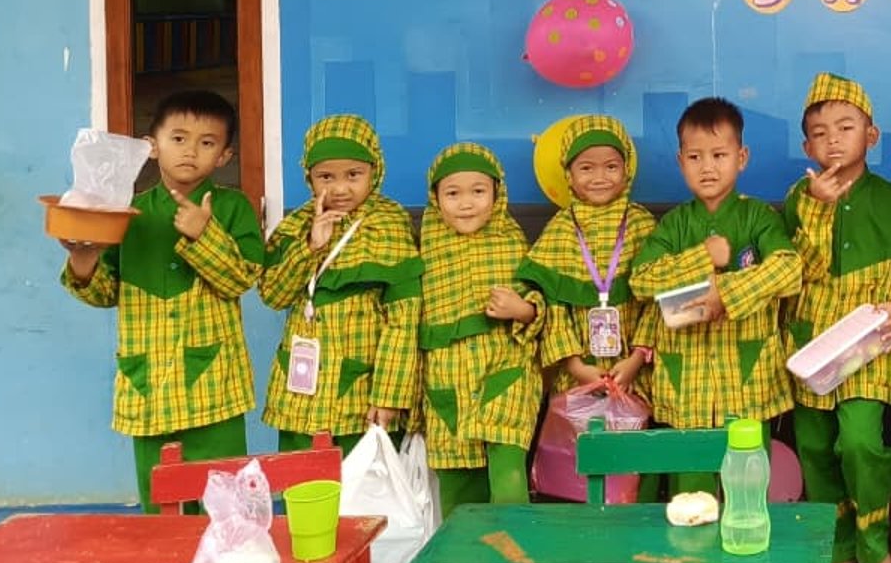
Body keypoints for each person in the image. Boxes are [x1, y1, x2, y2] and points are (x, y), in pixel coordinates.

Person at [60, 89, 262, 511]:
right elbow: (103, 294)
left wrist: (203, 235)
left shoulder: (233, 208)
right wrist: (84, 258)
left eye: (207, 143)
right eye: (178, 138)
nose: (191, 151)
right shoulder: (125, 213)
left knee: (226, 505)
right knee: (161, 505)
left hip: (213, 386)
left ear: (224, 156)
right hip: (147, 386)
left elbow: (240, 279)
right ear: (152, 146)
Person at [628, 97, 801, 493]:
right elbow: (641, 280)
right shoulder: (674, 224)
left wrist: (727, 291)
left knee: (748, 489)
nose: (707, 167)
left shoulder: (758, 217)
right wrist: (701, 257)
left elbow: (789, 269)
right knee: (691, 496)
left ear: (741, 157)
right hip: (686, 385)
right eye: (695, 156)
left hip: (748, 382)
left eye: (719, 154)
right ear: (680, 161)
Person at [781, 73, 891, 563]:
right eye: (819, 131)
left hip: (870, 341)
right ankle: (836, 549)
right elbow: (793, 269)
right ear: (806, 144)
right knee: (814, 447)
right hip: (812, 341)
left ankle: (874, 548)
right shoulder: (798, 197)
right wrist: (817, 207)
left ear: (871, 135)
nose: (833, 139)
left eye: (846, 127)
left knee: (859, 443)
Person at [258, 114, 422, 454]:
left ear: (374, 172)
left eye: (353, 175)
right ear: (309, 178)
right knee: (303, 489)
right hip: (301, 394)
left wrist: (389, 395)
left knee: (363, 496)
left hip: (363, 396)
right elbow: (274, 295)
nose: (340, 188)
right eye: (325, 177)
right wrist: (311, 247)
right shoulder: (296, 226)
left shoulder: (389, 224)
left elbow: (403, 320)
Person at [414, 141, 542, 516]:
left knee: (507, 477)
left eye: (478, 191)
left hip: (505, 370)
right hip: (447, 376)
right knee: (457, 487)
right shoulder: (424, 248)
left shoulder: (513, 241)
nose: (466, 203)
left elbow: (540, 301)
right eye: (453, 193)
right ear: (435, 198)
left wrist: (523, 310)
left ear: (497, 194)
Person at [513, 115, 656, 416]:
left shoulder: (642, 225)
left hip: (635, 372)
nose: (600, 177)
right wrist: (576, 365)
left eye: (611, 166)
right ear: (569, 175)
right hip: (576, 374)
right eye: (586, 168)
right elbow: (552, 305)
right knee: (578, 454)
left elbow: (656, 300)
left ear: (627, 169)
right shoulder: (561, 229)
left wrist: (635, 360)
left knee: (629, 453)